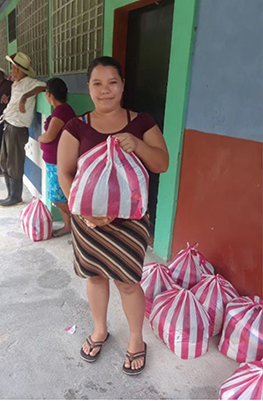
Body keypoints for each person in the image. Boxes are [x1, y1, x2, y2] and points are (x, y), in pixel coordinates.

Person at [57, 56, 169, 375]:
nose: (105, 90)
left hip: (130, 222)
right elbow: (66, 173)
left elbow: (161, 163)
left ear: (122, 86)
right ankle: (100, 330)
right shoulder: (77, 126)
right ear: (89, 88)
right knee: (95, 276)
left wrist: (137, 144)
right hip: (89, 223)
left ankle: (136, 339)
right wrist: (87, 214)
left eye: (112, 82)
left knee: (129, 282)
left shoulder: (142, 122)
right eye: (97, 83)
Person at [0, 52, 46, 207]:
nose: (13, 71)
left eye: (16, 68)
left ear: (24, 70)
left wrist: (25, 97)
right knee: (4, 161)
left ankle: (16, 197)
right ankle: (10, 194)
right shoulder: (15, 84)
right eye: (12, 68)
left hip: (17, 129)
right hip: (8, 124)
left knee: (14, 163)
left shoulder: (30, 82)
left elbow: (44, 86)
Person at [34, 78, 75, 236]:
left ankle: (79, 221)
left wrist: (40, 138)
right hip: (56, 161)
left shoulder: (61, 110)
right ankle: (68, 226)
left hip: (59, 162)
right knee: (62, 196)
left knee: (58, 198)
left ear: (49, 94)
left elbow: (50, 136)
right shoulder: (61, 110)